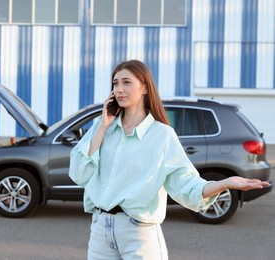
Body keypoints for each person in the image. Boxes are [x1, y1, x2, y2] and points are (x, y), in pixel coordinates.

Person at [69, 60, 269, 259]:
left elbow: (186, 184)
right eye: (115, 83)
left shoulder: (162, 135)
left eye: (127, 82)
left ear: (145, 87)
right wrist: (103, 125)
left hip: (138, 233)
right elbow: (80, 174)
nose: (119, 89)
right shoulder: (102, 128)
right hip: (100, 229)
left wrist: (224, 183)